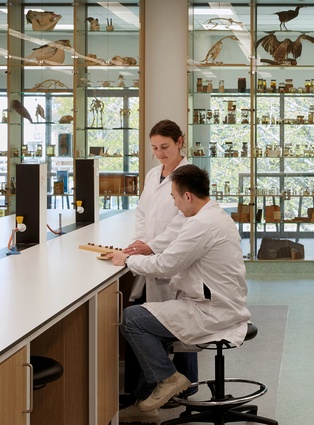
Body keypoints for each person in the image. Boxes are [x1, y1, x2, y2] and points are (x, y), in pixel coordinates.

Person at [109, 164, 251, 424]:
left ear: (188, 196)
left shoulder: (202, 225)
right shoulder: (214, 215)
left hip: (212, 311)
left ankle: (169, 378)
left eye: (174, 197)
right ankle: (146, 406)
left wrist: (126, 261)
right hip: (218, 302)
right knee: (153, 322)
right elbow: (175, 257)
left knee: (133, 319)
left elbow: (166, 264)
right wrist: (148, 252)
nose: (174, 204)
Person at [120, 119, 195, 404]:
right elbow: (142, 213)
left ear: (179, 142)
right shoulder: (153, 175)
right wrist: (141, 243)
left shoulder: (189, 176)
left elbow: (182, 221)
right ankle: (154, 390)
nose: (160, 153)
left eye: (165, 146)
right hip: (150, 255)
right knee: (153, 320)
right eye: (154, 148)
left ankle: (184, 388)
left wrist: (152, 246)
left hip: (172, 257)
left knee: (174, 326)